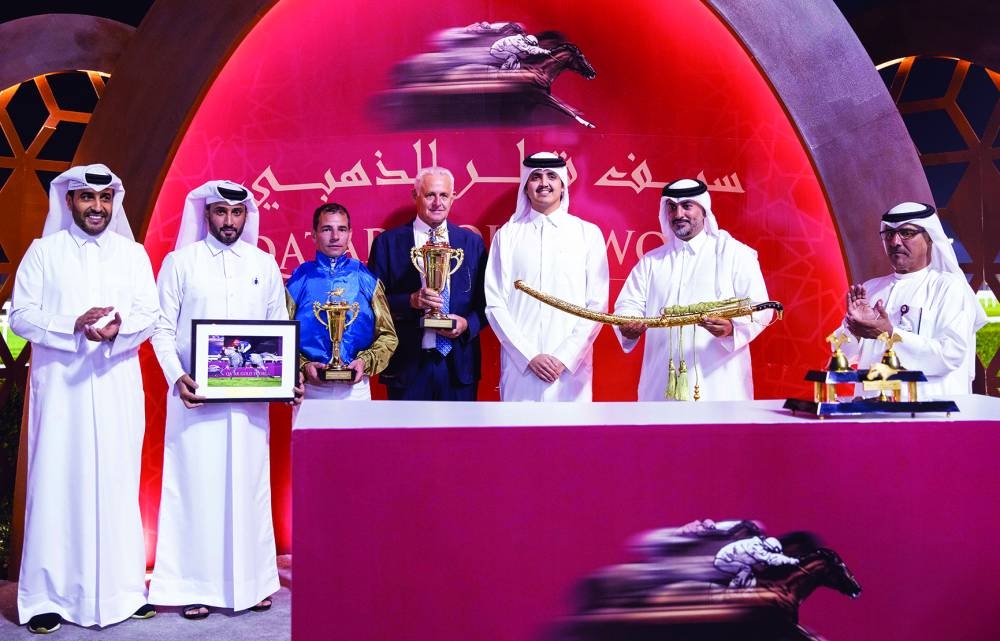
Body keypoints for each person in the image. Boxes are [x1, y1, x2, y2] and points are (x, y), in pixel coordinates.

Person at [11, 164, 159, 633]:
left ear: (113, 203)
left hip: (116, 386)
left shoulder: (132, 254)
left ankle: (122, 592)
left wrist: (120, 331)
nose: (97, 207)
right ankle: (45, 599)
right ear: (70, 201)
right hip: (61, 393)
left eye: (104, 199)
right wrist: (72, 324)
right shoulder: (43, 252)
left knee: (116, 485)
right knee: (57, 486)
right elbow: (21, 316)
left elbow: (149, 313)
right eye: (86, 199)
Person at [148, 180, 300, 620]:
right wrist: (178, 378)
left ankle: (251, 584)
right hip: (195, 399)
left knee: (248, 489)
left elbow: (276, 328)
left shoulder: (264, 264)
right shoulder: (180, 263)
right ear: (206, 214)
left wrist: (285, 379)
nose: (228, 221)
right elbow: (161, 328)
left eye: (236, 213)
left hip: (250, 405)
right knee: (196, 489)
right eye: (220, 212)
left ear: (246, 216)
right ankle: (192, 587)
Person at [613, 178, 772, 401]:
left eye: (687, 206)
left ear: (703, 209)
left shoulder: (735, 254)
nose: (679, 214)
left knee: (718, 435)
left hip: (719, 385)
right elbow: (628, 304)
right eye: (672, 207)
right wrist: (627, 325)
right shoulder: (652, 261)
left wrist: (731, 329)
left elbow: (760, 307)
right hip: (661, 384)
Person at [484, 152, 609, 401]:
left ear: (562, 186)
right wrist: (529, 356)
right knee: (518, 438)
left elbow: (597, 305)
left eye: (552, 176)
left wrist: (565, 356)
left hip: (571, 372)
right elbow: (495, 303)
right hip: (522, 370)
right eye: (536, 177)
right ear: (525, 188)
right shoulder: (507, 236)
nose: (544, 183)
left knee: (571, 439)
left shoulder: (587, 234)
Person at [839, 201, 986, 396]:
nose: (895, 242)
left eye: (906, 233)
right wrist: (855, 331)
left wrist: (890, 333)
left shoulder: (950, 287)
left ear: (930, 238)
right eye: (889, 234)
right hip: (872, 411)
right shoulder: (870, 289)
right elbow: (840, 352)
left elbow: (950, 355)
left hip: (929, 414)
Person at [368, 167, 487, 400]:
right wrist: (410, 301)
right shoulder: (387, 243)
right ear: (415, 196)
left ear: (453, 197)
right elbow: (374, 305)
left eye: (444, 195)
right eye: (430, 195)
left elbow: (488, 303)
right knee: (407, 437)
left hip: (459, 366)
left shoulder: (471, 243)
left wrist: (466, 323)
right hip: (408, 366)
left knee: (459, 436)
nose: (437, 202)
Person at [287, 203, 398, 400]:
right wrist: (303, 366)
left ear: (350, 234)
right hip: (312, 390)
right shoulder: (299, 280)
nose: (335, 236)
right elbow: (281, 336)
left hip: (356, 390)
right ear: (313, 235)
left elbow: (388, 336)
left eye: (342, 229)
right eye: (327, 229)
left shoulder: (366, 279)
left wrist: (365, 362)